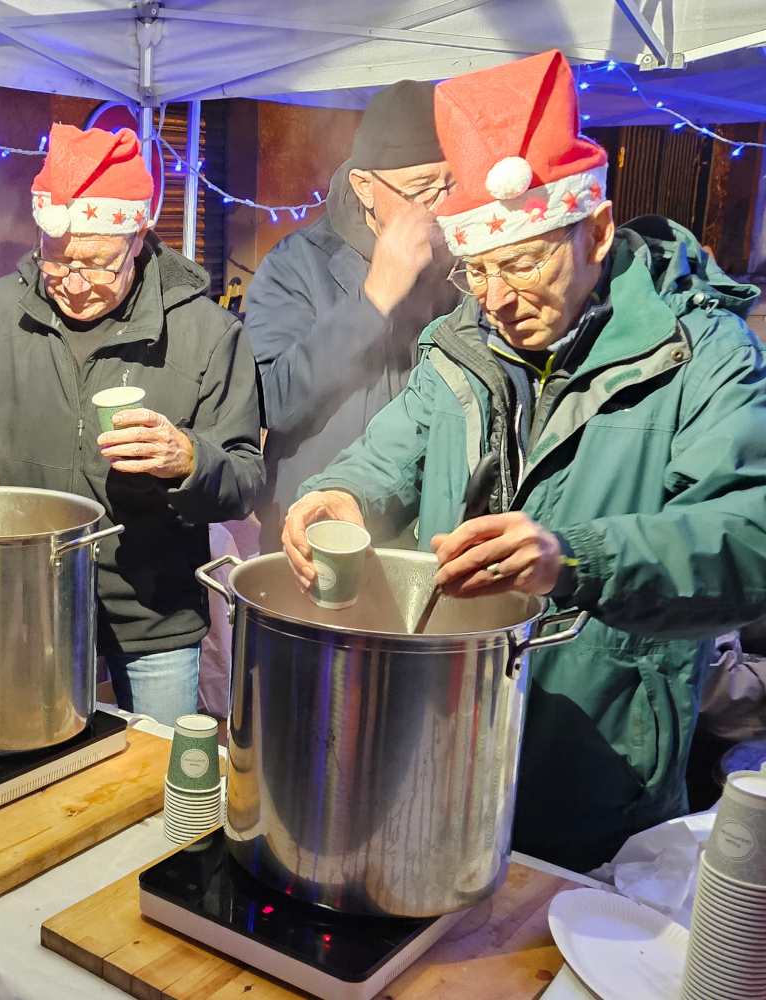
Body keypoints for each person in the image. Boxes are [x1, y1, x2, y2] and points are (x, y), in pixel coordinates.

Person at [282, 51, 766, 871]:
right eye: (475, 269)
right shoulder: (460, 344)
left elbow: (749, 539)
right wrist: (337, 497)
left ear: (597, 231)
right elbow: (386, 455)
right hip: (444, 745)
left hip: (599, 773)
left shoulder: (703, 353)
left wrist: (575, 557)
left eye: (523, 262)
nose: (497, 299)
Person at [0, 124, 264, 725]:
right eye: (57, 262)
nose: (75, 285)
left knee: (155, 766)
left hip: (153, 611)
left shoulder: (207, 334)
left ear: (138, 239)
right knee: (42, 755)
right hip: (30, 602)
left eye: (98, 266)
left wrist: (188, 458)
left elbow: (243, 478)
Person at [244, 80, 460, 553]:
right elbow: (270, 400)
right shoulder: (297, 263)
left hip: (424, 531)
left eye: (450, 184)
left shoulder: (461, 265)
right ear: (365, 186)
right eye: (422, 191)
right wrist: (375, 297)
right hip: (313, 524)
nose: (441, 206)